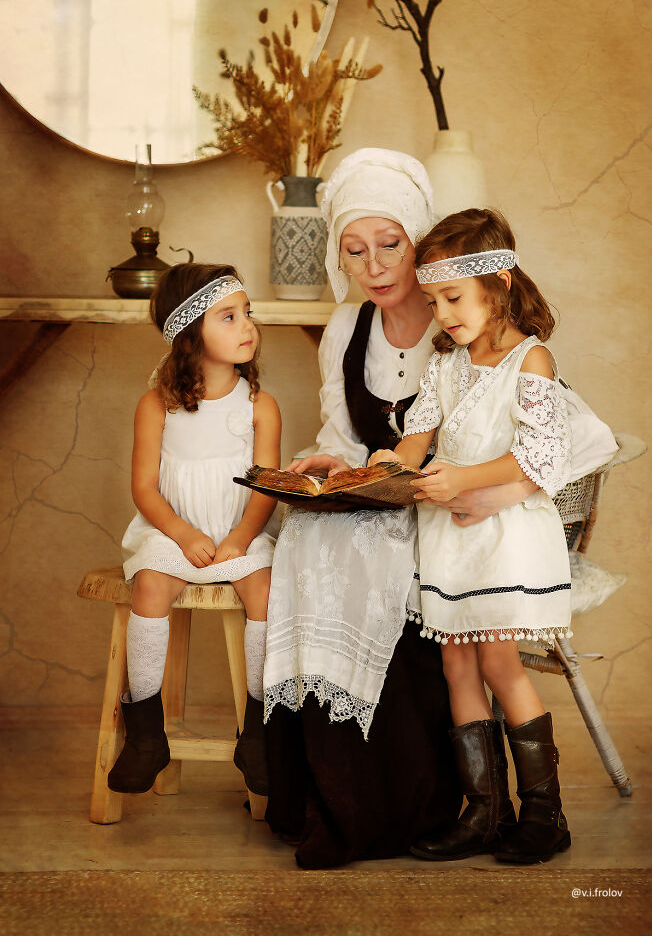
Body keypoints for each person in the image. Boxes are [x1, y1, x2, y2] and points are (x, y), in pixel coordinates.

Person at [262, 149, 541, 869]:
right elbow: (359, 437)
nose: (376, 265)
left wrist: (429, 476)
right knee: (307, 542)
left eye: (391, 245)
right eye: (355, 251)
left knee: (375, 559)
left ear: (422, 239)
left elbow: (513, 443)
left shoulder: (463, 334)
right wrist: (335, 465)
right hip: (391, 493)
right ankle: (329, 793)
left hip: (461, 509)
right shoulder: (346, 330)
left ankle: (435, 802)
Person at [369, 208, 573, 865]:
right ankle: (484, 810)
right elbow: (416, 440)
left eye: (453, 298)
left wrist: (459, 478)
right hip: (453, 541)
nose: (443, 314)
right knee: (456, 662)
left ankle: (547, 814)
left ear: (500, 283)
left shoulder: (530, 359)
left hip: (505, 536)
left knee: (496, 663)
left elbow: (537, 461)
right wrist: (389, 464)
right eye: (432, 301)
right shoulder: (446, 366)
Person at [109, 263, 281, 798]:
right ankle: (144, 732)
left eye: (247, 312)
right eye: (229, 316)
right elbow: (144, 489)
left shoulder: (260, 408)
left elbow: (265, 486)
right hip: (173, 532)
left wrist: (239, 539)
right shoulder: (156, 406)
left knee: (266, 591)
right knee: (151, 586)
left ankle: (256, 733)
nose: (247, 325)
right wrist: (182, 534)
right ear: (190, 335)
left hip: (237, 532)